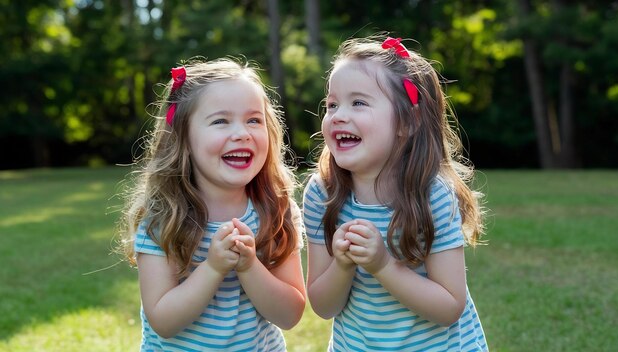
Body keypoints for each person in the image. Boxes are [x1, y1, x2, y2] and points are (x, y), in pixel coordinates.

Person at [303, 34, 488, 351]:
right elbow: (323, 306)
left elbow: (448, 307)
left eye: (358, 102)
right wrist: (342, 266)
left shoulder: (432, 194)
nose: (338, 115)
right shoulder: (323, 192)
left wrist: (383, 266)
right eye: (332, 104)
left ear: (408, 121)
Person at [118, 57, 306, 351]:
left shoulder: (276, 210)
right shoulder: (164, 217)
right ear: (184, 139)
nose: (242, 133)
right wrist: (213, 268)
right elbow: (164, 322)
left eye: (253, 120)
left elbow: (290, 314)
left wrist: (249, 266)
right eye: (221, 121)